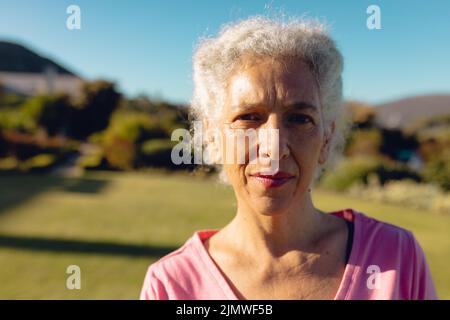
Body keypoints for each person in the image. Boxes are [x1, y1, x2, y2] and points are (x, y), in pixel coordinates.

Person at [140, 16, 437, 300]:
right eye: (249, 117)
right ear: (214, 137)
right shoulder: (172, 284)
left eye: (299, 119)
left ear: (327, 139)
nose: (274, 148)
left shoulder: (396, 257)